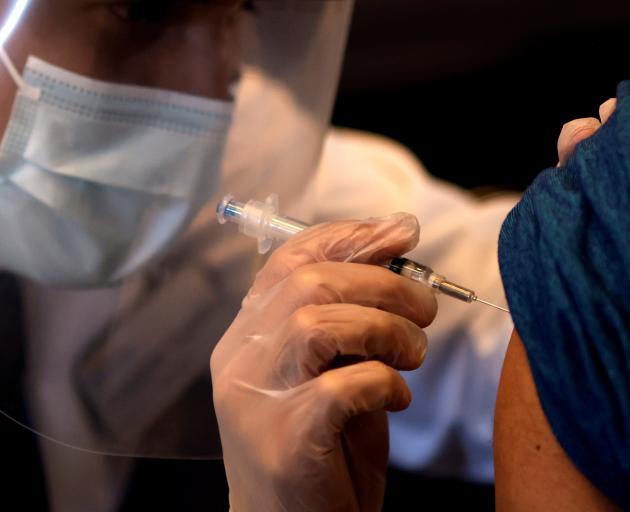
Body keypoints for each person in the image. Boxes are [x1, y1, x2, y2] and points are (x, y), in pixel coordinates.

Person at [0, 1, 514, 510]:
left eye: (239, 13)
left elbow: (506, 318)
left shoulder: (239, 162)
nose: (209, 90)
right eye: (139, 12)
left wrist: (590, 219)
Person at [211, 92, 629, 511]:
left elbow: (535, 323)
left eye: (234, 21)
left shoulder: (257, 150)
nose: (220, 56)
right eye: (156, 24)